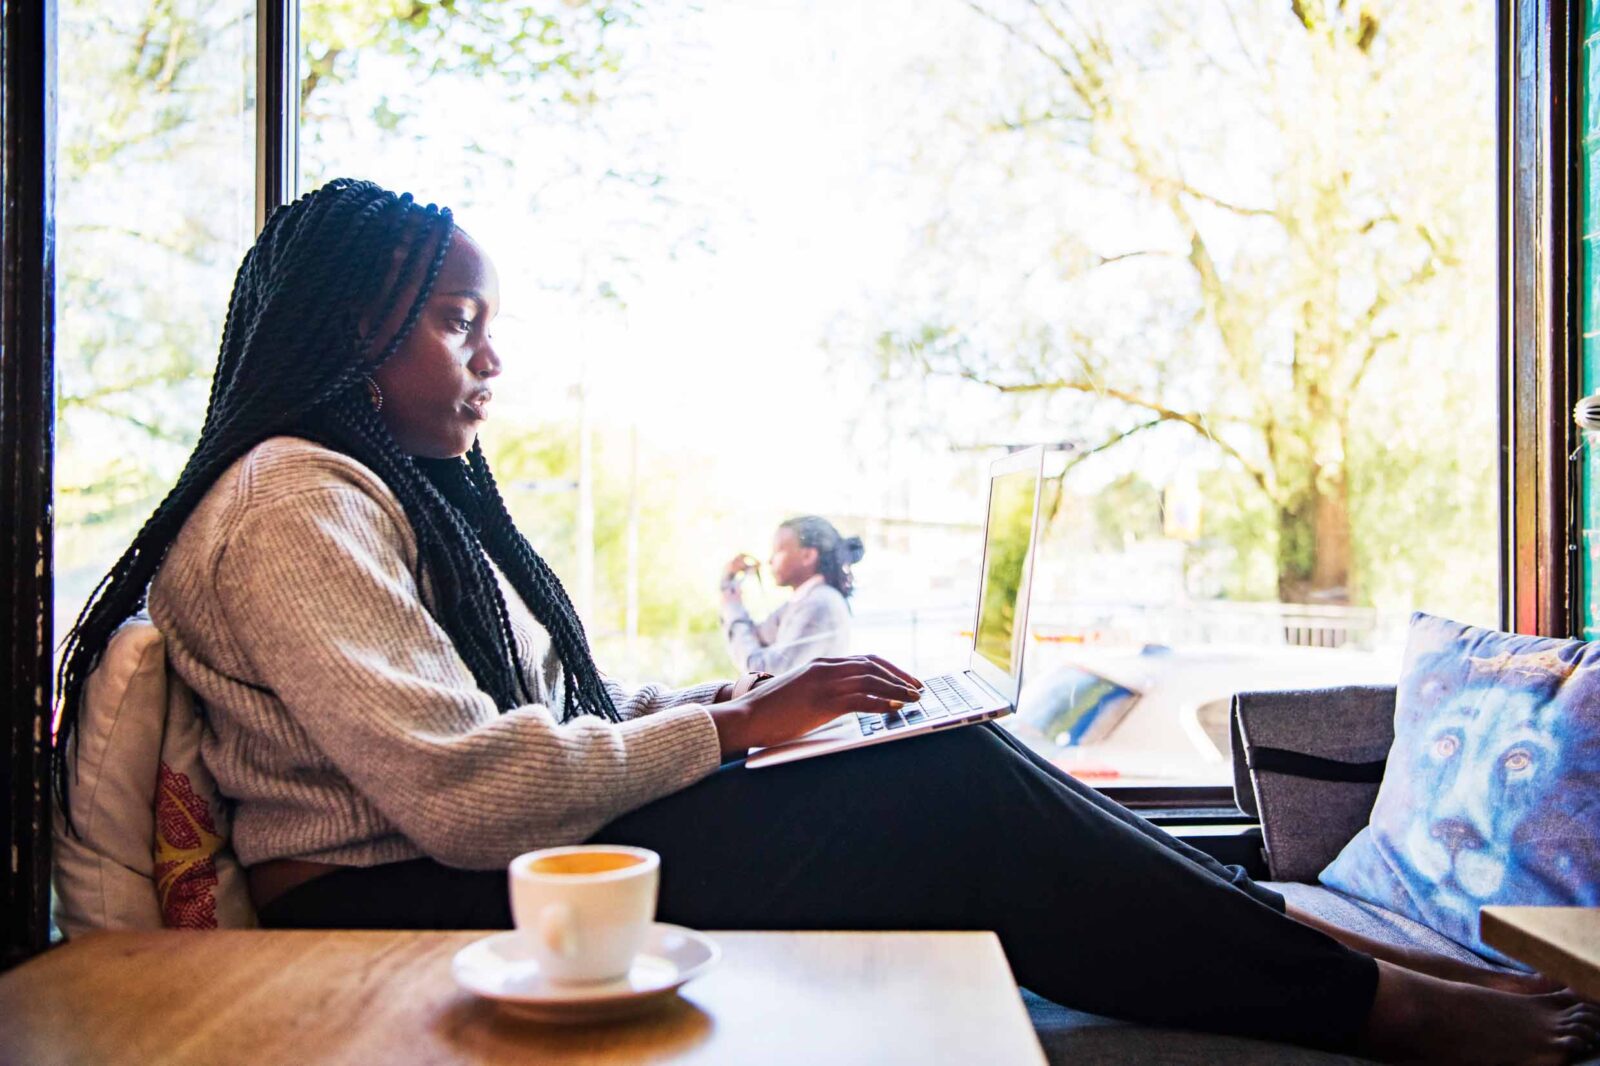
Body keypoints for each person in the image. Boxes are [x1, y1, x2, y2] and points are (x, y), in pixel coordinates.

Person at [52, 179, 1597, 1065]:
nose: (488, 359)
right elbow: (463, 791)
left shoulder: (366, 493)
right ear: (348, 328)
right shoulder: (290, 501)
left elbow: (523, 729)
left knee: (950, 751)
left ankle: (1305, 943)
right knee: (939, 791)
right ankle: (1378, 1001)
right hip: (413, 906)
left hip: (472, 871)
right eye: (458, 321)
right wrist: (734, 728)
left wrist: (762, 697)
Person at [720, 516, 862, 673]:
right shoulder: (803, 601)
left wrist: (732, 607)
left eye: (778, 551)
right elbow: (757, 637)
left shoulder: (819, 603)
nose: (770, 561)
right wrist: (729, 586)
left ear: (807, 556)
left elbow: (763, 672)